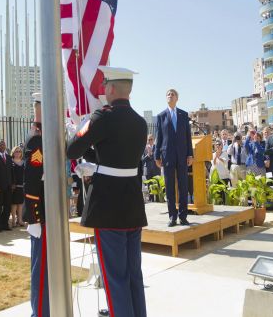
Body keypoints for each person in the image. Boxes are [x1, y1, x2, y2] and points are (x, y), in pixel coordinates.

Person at [67, 67, 148, 317]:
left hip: (108, 205)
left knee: (115, 277)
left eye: (105, 86)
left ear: (111, 89)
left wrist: (77, 130)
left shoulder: (102, 117)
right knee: (133, 274)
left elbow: (72, 149)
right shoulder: (140, 122)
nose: (103, 91)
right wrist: (93, 159)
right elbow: (113, 154)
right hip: (132, 205)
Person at [23, 92, 49, 317]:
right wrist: (34, 217)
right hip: (41, 213)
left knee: (49, 268)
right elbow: (31, 182)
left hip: (51, 212)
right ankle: (40, 313)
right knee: (41, 270)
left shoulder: (48, 137)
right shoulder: (37, 140)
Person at [154, 88, 193, 227]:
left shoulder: (183, 115)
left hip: (182, 155)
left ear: (177, 98)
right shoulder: (161, 116)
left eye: (173, 94)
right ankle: (172, 217)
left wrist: (190, 154)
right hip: (167, 156)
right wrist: (157, 155)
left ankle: (183, 216)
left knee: (183, 186)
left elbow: (188, 136)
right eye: (168, 94)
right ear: (166, 98)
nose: (170, 96)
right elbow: (159, 137)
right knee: (170, 188)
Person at [9, 146, 25, 228]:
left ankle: (20, 220)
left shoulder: (23, 162)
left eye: (19, 151)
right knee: (14, 203)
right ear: (13, 152)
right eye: (16, 151)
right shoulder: (10, 162)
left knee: (20, 203)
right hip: (14, 186)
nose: (18, 153)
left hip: (21, 185)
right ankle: (13, 221)